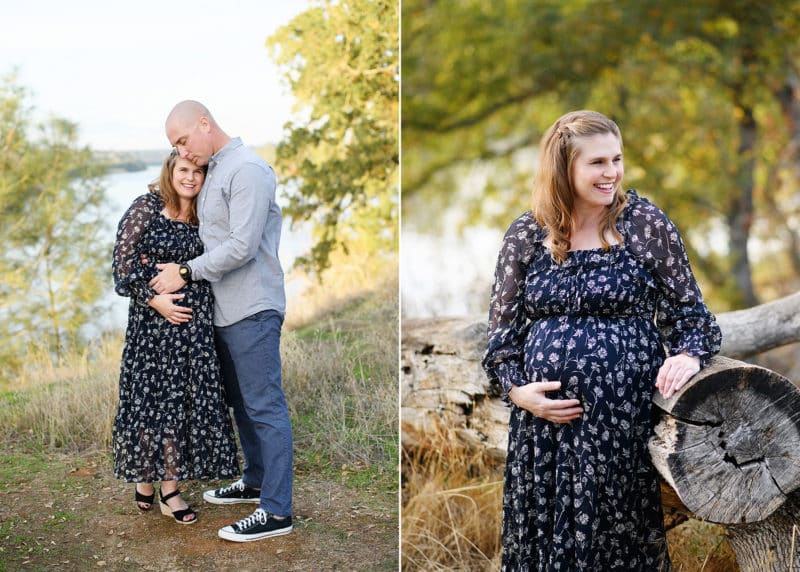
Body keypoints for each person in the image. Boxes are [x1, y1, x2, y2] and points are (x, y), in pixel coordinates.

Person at [482, 110, 722, 571]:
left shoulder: (644, 224)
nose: (611, 172)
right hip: (544, 433)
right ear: (563, 168)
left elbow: (692, 314)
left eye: (616, 159)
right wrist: (518, 391)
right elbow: (501, 337)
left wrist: (691, 354)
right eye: (597, 162)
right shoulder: (527, 235)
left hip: (620, 426)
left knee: (615, 546)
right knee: (546, 544)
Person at [149, 100, 294, 542]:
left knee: (265, 407)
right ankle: (254, 481)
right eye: (175, 146)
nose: (183, 152)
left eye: (183, 141)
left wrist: (185, 271)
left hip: (252, 307)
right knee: (242, 403)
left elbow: (242, 246)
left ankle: (276, 511)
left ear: (205, 124)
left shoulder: (247, 170)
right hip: (224, 311)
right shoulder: (217, 170)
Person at [112, 150, 239, 525]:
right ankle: (145, 479)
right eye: (184, 169)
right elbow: (122, 265)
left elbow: (219, 261)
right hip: (151, 329)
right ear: (171, 171)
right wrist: (156, 301)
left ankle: (170, 489)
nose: (190, 178)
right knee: (151, 402)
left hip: (193, 332)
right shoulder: (147, 207)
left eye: (198, 172)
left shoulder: (206, 216)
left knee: (181, 405)